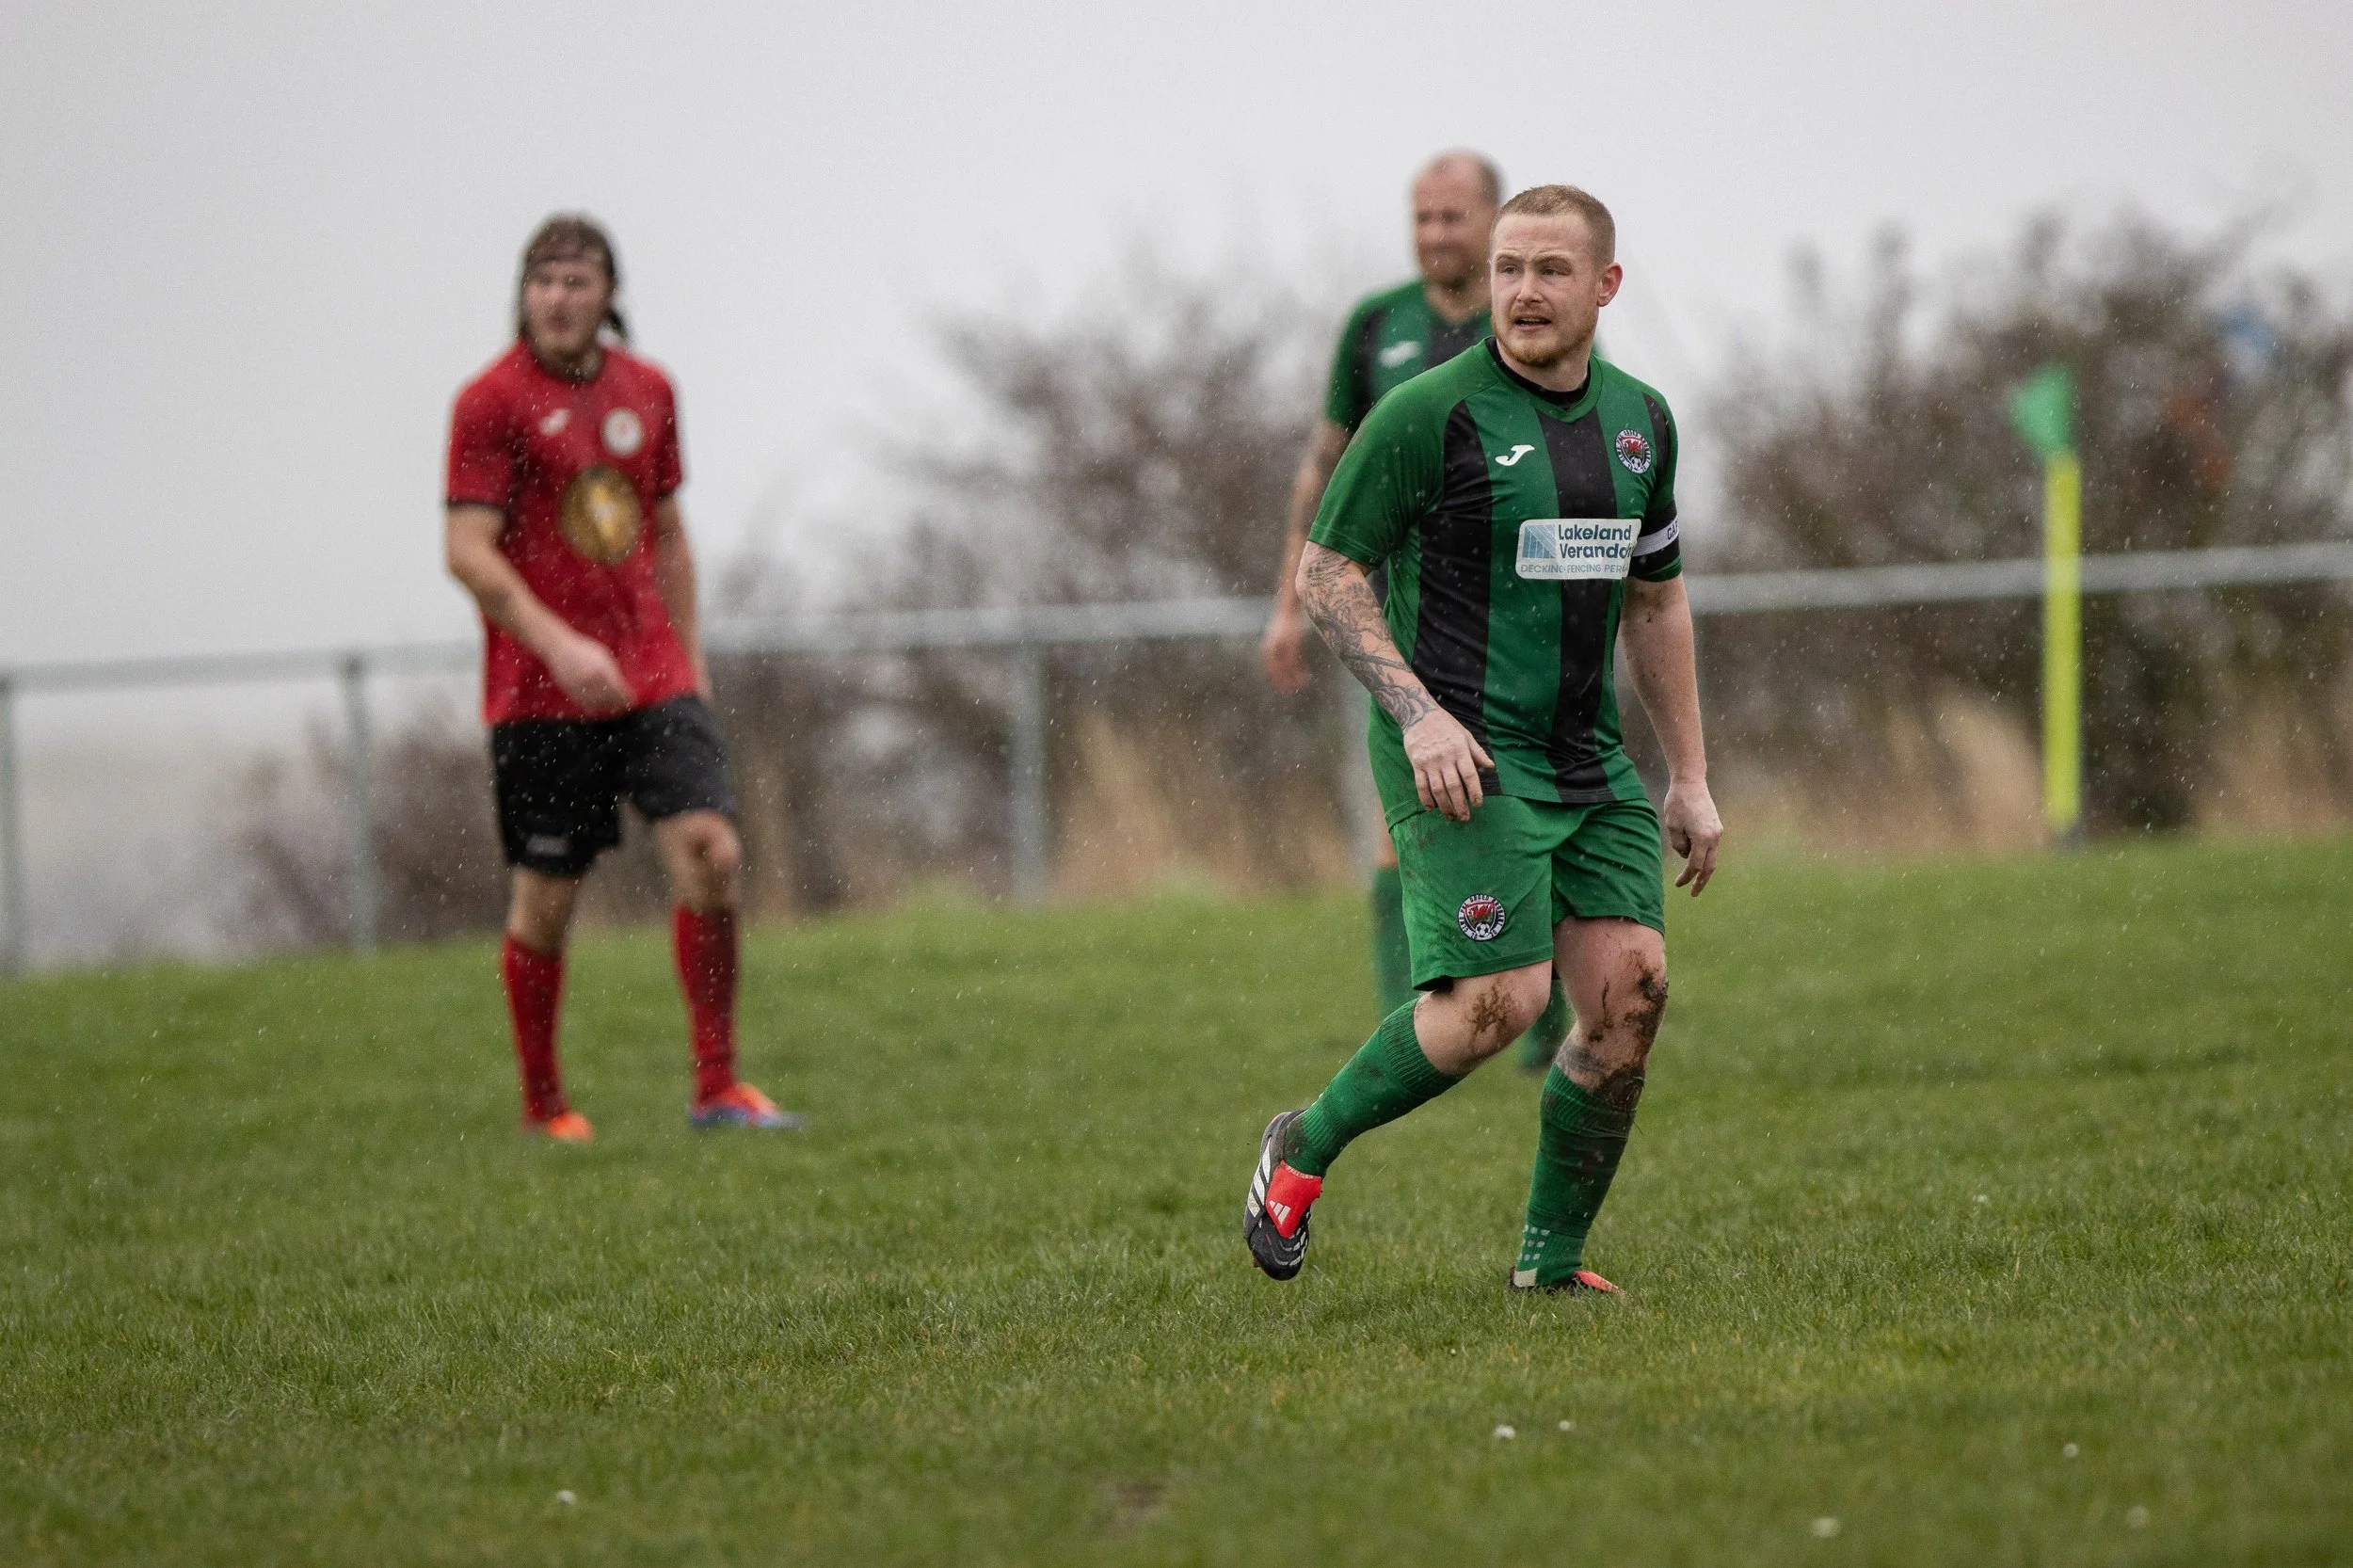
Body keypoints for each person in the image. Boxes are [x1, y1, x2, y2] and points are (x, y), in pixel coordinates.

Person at [1243, 185, 1722, 1293]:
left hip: (1584, 752)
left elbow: (1656, 602)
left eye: (1551, 269)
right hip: (1458, 746)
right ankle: (1299, 1148)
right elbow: (1326, 572)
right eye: (1509, 269)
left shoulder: (1642, 421)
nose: (1522, 290)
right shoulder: (1425, 413)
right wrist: (1417, 714)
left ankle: (1549, 1267)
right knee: (1492, 1006)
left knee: (1630, 992)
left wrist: (1689, 776)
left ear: (1604, 284)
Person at [443, 214, 800, 1141]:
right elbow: (466, 551)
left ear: (609, 295)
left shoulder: (650, 389)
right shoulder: (489, 403)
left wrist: (687, 662)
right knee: (549, 901)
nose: (558, 298)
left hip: (651, 677)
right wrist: (556, 642)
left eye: (577, 281)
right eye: (543, 282)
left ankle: (717, 1087)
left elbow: (669, 534)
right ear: (523, 295)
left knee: (711, 853)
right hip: (540, 691)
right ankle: (542, 1106)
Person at [1259, 152, 1570, 1068]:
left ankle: (1537, 1016)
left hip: (1512, 627)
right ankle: (1414, 1027)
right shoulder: (1375, 326)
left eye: (1453, 217)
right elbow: (1321, 469)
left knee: (1530, 812)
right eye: (1421, 218)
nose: (1436, 235)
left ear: (1493, 221)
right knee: (1400, 829)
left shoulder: (1530, 323)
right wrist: (1287, 603)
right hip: (1392, 613)